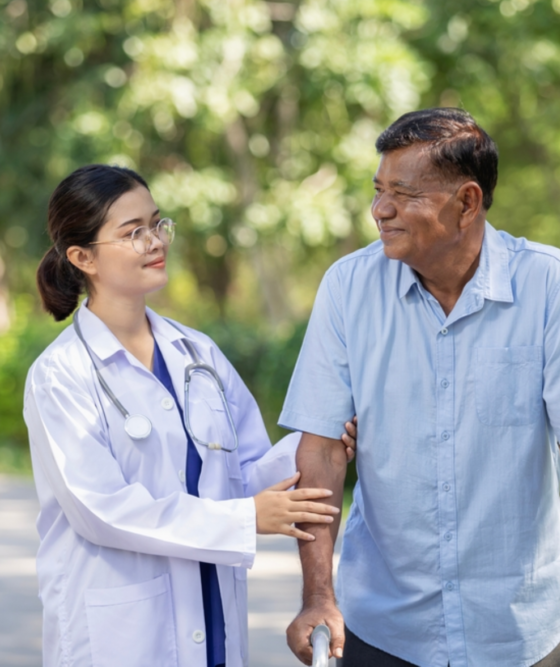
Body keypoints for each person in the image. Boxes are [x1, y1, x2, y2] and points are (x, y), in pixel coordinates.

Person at [280, 108, 560, 667]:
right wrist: (317, 597)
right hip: (384, 625)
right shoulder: (348, 288)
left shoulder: (550, 285)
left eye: (404, 193)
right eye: (378, 190)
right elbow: (322, 449)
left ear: (467, 202)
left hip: (520, 630)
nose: (381, 210)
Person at [23, 164, 357, 667]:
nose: (155, 241)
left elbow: (248, 472)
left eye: (157, 224)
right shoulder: (61, 375)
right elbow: (101, 511)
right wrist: (245, 518)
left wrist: (323, 438)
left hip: (211, 616)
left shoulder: (197, 354)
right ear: (82, 256)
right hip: (122, 636)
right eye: (132, 232)